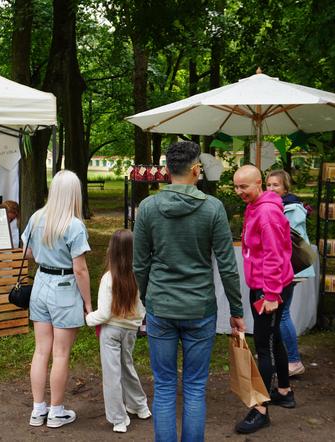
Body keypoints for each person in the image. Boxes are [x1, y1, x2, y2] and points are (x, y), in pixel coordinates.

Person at [133, 141, 245, 442]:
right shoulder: (213, 208)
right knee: (195, 387)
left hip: (161, 306)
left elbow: (139, 264)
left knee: (165, 386)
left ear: (168, 170)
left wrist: (148, 298)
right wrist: (237, 311)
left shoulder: (148, 208)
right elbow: (227, 266)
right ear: (196, 170)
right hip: (199, 309)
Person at [22, 171, 92, 429]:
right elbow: (81, 269)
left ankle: (37, 409)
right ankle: (56, 411)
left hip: (40, 284)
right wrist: (88, 303)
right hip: (64, 288)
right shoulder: (74, 225)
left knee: (41, 351)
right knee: (60, 354)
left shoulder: (36, 217)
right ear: (74, 193)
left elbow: (27, 253)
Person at [233, 165, 295, 434]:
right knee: (274, 338)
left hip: (269, 289)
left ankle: (261, 410)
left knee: (263, 345)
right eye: (236, 187)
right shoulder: (256, 206)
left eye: (244, 187)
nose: (239, 192)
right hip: (266, 285)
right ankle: (284, 390)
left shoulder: (267, 212)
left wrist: (270, 294)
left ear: (258, 183)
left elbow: (273, 255)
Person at [86, 229, 150, 433]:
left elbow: (104, 313)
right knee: (127, 367)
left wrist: (88, 318)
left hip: (111, 331)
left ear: (111, 250)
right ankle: (140, 406)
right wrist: (137, 322)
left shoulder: (108, 278)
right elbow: (142, 307)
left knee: (112, 374)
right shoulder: (139, 275)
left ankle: (118, 419)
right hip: (130, 331)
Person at [265, 170, 315, 377]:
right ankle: (278, 355)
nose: (271, 189)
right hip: (283, 267)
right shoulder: (280, 206)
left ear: (285, 187)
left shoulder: (291, 208)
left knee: (282, 314)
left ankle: (293, 360)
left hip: (289, 268)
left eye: (275, 185)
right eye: (268, 185)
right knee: (277, 314)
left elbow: (284, 239)